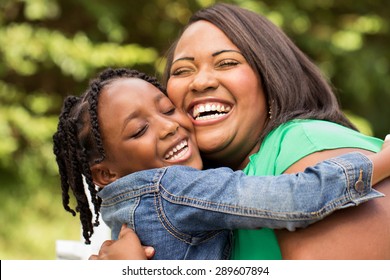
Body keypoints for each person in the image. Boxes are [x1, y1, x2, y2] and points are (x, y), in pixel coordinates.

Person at [90, 3, 390, 259]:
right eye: (181, 70)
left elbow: (302, 197)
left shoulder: (305, 144)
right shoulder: (187, 191)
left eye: (227, 63)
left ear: (271, 77)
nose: (200, 82)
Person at [53, 67, 388, 259]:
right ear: (105, 173)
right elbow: (292, 200)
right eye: (140, 130)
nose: (169, 125)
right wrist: (379, 163)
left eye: (168, 109)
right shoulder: (172, 188)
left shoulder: (124, 207)